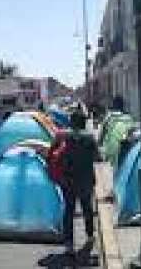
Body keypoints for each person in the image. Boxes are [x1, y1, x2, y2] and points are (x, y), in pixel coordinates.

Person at [48, 108, 99, 262]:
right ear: (83, 123)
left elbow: (55, 150)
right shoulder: (90, 138)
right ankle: (90, 236)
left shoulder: (65, 137)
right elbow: (97, 157)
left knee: (69, 211)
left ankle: (69, 244)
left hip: (68, 179)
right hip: (85, 179)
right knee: (87, 209)